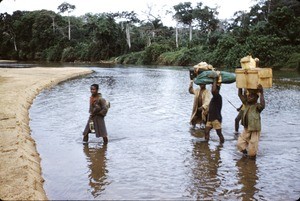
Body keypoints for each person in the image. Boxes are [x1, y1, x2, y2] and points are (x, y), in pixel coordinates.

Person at [237, 84, 265, 158]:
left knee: (252, 150)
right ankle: (245, 154)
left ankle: (252, 161)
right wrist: (240, 84)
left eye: (252, 96)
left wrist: (262, 93)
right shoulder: (246, 103)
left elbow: (263, 105)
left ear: (256, 98)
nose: (249, 97)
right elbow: (240, 94)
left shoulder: (257, 106)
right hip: (247, 128)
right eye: (249, 95)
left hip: (255, 130)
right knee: (240, 144)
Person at [204, 78, 224, 143]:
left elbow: (213, 91)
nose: (212, 89)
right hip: (210, 118)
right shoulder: (213, 98)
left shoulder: (218, 97)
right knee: (206, 131)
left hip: (216, 119)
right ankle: (206, 146)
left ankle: (221, 145)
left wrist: (215, 79)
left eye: (213, 88)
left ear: (217, 90)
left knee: (219, 134)